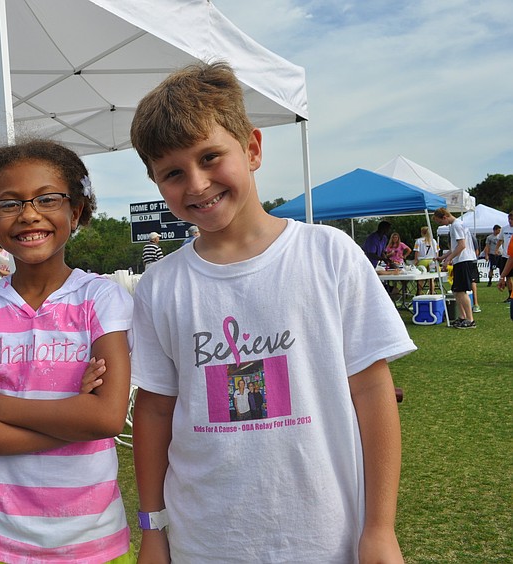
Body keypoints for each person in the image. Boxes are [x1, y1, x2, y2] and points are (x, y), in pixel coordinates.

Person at [128, 61, 415, 563]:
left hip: (325, 536)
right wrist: (153, 530)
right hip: (204, 541)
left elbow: (373, 393)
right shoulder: (159, 286)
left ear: (253, 148)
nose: (196, 184)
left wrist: (380, 528)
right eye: (173, 172)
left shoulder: (330, 255)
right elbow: (154, 411)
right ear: (157, 182)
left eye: (211, 157)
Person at [0, 139, 134, 564]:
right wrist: (72, 419)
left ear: (76, 211)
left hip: (94, 543)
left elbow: (106, 418)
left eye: (48, 198)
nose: (29, 213)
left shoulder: (101, 300)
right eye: (8, 204)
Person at [432, 207, 479, 328]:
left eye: (440, 222)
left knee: (461, 291)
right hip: (460, 260)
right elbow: (454, 247)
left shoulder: (457, 225)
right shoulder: (455, 225)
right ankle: (462, 317)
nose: (441, 224)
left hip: (464, 260)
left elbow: (462, 245)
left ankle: (470, 319)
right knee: (456, 290)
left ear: (445, 217)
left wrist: (448, 259)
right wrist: (442, 257)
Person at [413, 226, 440, 293]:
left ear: (422, 232)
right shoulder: (433, 241)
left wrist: (415, 260)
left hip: (422, 261)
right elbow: (437, 252)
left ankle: (419, 292)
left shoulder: (418, 241)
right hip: (432, 261)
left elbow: (417, 252)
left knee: (420, 278)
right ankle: (432, 292)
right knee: (431, 278)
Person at [501, 212, 513, 302]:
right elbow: (500, 240)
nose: (510, 221)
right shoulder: (504, 229)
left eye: (512, 219)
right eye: (509, 219)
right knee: (508, 277)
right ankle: (510, 295)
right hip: (507, 256)